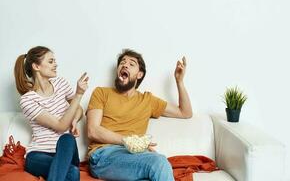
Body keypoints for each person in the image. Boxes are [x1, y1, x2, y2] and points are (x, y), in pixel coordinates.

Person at [86, 49, 193, 181]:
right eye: (122, 63)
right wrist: (129, 141)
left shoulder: (147, 100)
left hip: (134, 157)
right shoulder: (101, 93)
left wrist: (179, 81)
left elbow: (185, 113)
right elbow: (93, 131)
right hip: (103, 156)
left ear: (139, 74)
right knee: (159, 162)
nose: (125, 65)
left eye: (131, 64)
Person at [14, 46, 89, 181]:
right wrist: (79, 94)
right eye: (51, 61)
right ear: (36, 66)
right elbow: (60, 126)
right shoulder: (27, 100)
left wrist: (74, 120)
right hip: (38, 155)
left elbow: (78, 109)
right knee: (72, 173)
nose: (56, 64)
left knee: (67, 138)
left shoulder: (61, 83)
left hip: (66, 152)